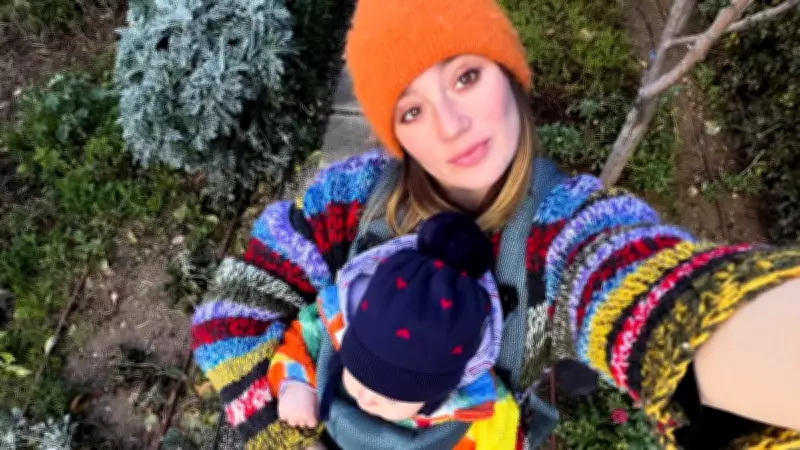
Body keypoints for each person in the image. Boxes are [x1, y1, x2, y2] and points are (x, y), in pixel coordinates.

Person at [190, 0, 800, 448]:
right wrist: (286, 439)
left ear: (506, 71)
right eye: (411, 109)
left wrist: (720, 341)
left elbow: (644, 293)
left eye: (465, 76)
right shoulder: (345, 203)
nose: (450, 125)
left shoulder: (562, 236)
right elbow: (231, 318)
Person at [268, 212, 522, 449]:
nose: (366, 400)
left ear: (438, 390)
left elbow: (503, 439)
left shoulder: (479, 411)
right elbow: (300, 342)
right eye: (356, 374)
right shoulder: (336, 326)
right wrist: (295, 386)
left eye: (392, 399)